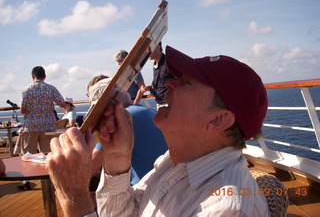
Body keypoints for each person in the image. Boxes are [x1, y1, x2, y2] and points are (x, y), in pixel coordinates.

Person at [46, 45, 270, 216]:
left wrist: (74, 198)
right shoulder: (174, 161)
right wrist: (117, 159)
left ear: (218, 120)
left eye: (186, 82)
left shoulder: (225, 209)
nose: (170, 83)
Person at [87, 75, 167, 183]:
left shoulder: (120, 121)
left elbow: (91, 167)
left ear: (106, 107)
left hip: (146, 190)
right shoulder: (148, 111)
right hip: (166, 183)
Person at [20, 66, 66, 154]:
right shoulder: (51, 88)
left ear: (33, 76)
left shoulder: (26, 90)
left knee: (28, 155)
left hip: (31, 126)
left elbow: (22, 110)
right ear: (44, 77)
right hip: (47, 126)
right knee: (48, 154)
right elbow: (63, 104)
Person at [141, 42, 174, 108]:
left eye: (147, 49)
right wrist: (149, 88)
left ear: (157, 47)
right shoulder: (155, 65)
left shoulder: (169, 62)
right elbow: (160, 85)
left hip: (169, 104)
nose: (146, 53)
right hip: (160, 103)